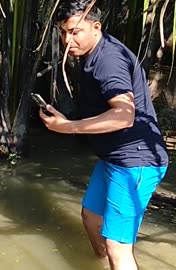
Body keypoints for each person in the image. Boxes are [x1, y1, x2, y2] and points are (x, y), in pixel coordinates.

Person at [38, 1, 169, 269]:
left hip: (135, 161)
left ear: (96, 27)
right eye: (63, 32)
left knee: (117, 247)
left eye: (75, 32)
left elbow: (124, 115)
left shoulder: (108, 61)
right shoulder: (95, 53)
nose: (67, 40)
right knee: (91, 218)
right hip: (113, 157)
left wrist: (68, 127)